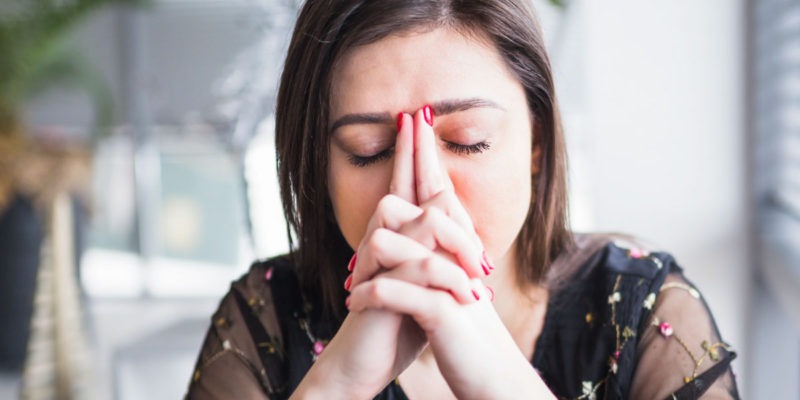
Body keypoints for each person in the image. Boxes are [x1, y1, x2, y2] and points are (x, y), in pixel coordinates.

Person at [186, 1, 740, 399]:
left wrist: (498, 379)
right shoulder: (267, 322)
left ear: (537, 144)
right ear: (318, 166)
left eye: (467, 140)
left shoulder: (642, 313)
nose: (428, 190)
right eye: (370, 148)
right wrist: (338, 385)